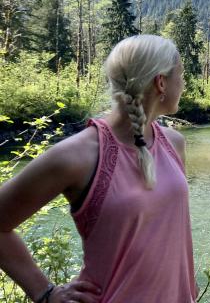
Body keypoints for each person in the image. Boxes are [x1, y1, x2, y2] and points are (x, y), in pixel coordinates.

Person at [0, 35, 198, 302]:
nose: (184, 84)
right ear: (161, 82)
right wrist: (44, 292)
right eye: (181, 75)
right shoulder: (77, 155)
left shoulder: (175, 143)